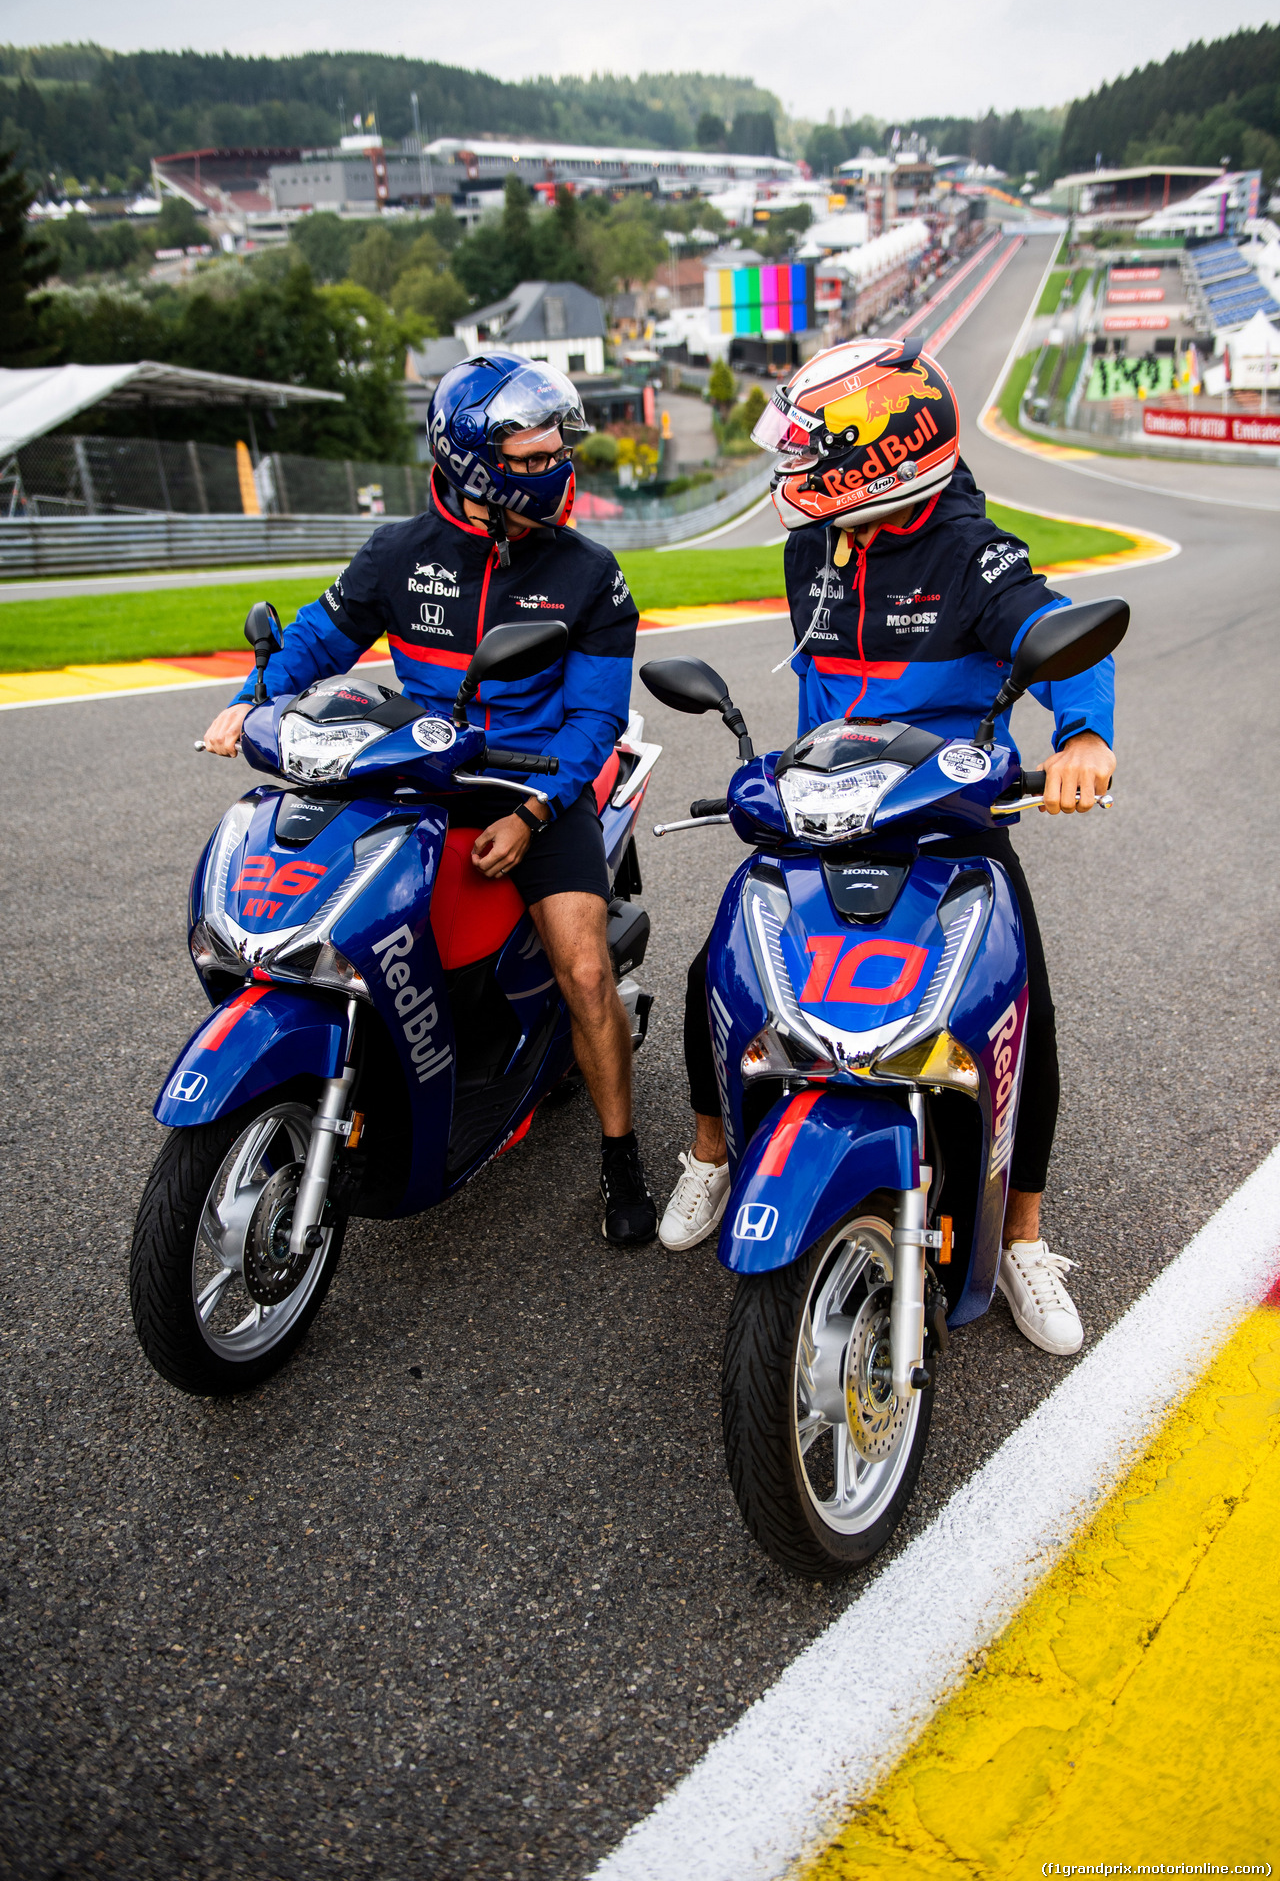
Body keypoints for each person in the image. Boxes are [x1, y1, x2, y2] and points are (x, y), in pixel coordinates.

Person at [657, 336, 1115, 1356]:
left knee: (1017, 1012)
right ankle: (710, 1153)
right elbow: (825, 696)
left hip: (950, 821)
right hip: (824, 808)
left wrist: (1081, 734)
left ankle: (1025, 1240)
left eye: (812, 451)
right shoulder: (814, 544)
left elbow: (1052, 628)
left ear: (882, 455)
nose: (794, 470)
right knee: (712, 976)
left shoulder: (971, 552)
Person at [203, 352, 657, 1247]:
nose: (553, 467)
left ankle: (621, 1156)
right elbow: (315, 643)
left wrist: (531, 814)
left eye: (553, 451)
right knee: (332, 915)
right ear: (470, 458)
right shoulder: (399, 553)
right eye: (529, 457)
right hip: (414, 772)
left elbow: (596, 722)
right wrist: (250, 699)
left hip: (534, 787)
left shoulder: (590, 574)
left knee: (587, 973)